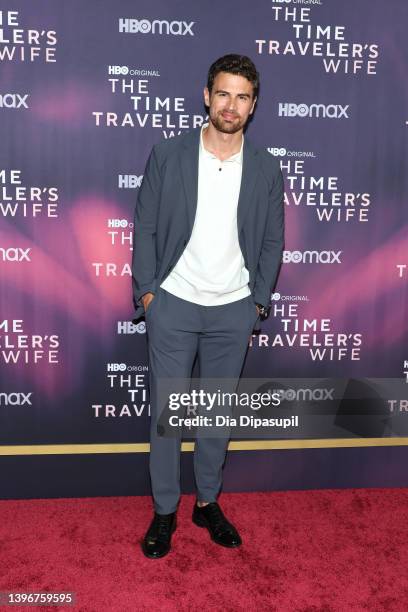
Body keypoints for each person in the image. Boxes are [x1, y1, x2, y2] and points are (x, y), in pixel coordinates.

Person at [132, 54, 284, 558]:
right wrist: (150, 294)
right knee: (168, 418)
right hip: (173, 304)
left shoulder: (265, 168)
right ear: (207, 96)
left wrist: (257, 303)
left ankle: (208, 503)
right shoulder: (169, 155)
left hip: (233, 310)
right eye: (223, 93)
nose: (231, 105)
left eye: (242, 96)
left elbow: (271, 243)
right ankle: (164, 512)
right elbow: (146, 228)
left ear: (253, 105)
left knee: (216, 417)